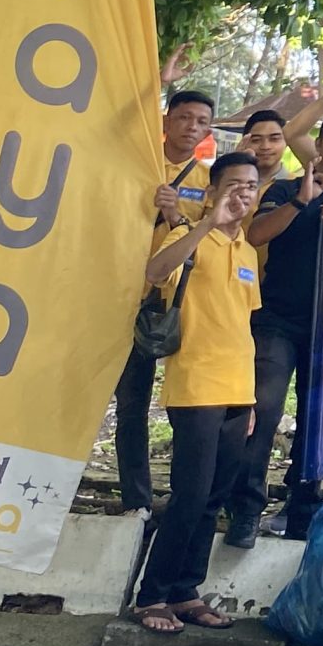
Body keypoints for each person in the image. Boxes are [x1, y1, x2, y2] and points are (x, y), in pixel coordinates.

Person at [229, 114, 323, 544]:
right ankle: (245, 510)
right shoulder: (283, 189)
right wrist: (302, 200)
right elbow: (256, 235)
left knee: (317, 424)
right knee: (262, 414)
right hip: (277, 321)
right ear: (321, 143)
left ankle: (302, 512)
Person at [131, 152, 264, 635]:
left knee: (214, 497)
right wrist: (208, 222)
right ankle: (152, 596)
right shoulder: (189, 237)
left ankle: (187, 591)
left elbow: (241, 324)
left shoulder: (248, 253)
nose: (244, 194)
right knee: (189, 494)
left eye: (251, 186)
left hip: (236, 388)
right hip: (195, 384)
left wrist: (249, 400)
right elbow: (155, 271)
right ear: (213, 191)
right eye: (234, 185)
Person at [116, 87, 220, 514]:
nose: (191, 128)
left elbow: (211, 238)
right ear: (165, 121)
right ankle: (135, 500)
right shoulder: (137, 160)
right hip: (125, 297)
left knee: (187, 406)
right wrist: (158, 78)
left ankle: (184, 500)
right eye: (184, 118)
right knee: (131, 403)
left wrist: (177, 214)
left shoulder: (209, 180)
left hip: (180, 304)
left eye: (201, 122)